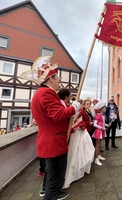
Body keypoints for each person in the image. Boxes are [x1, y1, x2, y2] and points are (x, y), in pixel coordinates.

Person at [19, 56, 80, 200]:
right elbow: (58, 115)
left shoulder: (39, 93)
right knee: (53, 184)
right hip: (54, 143)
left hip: (50, 142)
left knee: (54, 180)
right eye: (57, 78)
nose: (59, 81)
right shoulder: (47, 93)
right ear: (50, 78)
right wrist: (74, 107)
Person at [92, 100, 108, 166]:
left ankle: (98, 155)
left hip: (101, 131)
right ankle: (96, 159)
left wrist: (107, 125)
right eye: (105, 108)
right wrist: (101, 128)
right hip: (99, 131)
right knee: (97, 145)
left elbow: (103, 123)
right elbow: (94, 124)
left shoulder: (103, 115)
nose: (105, 109)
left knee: (99, 145)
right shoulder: (98, 115)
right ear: (101, 108)